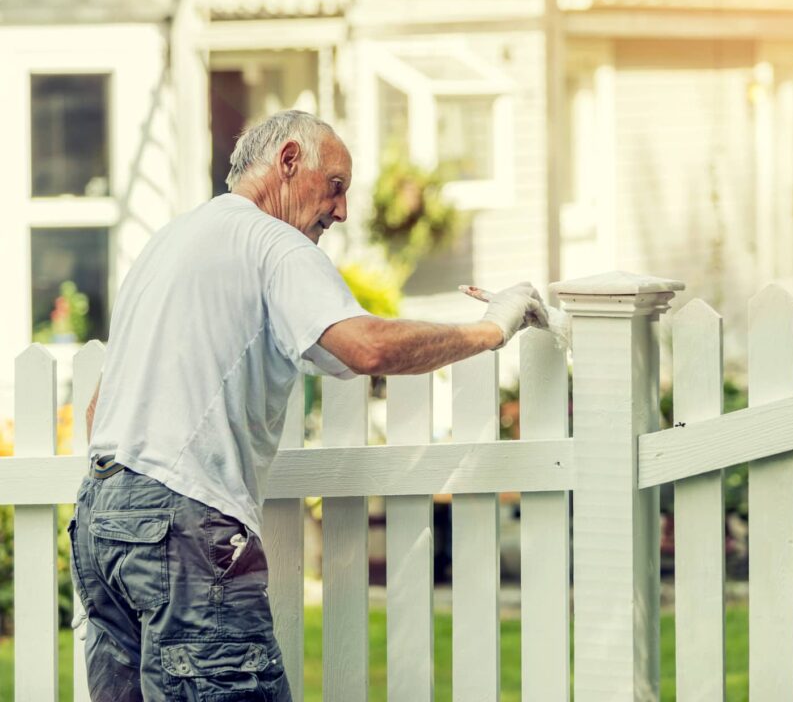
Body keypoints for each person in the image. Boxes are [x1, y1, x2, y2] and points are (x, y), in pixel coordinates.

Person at [70, 109, 547, 701]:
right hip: (182, 526)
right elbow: (364, 346)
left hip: (100, 521)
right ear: (289, 161)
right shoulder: (273, 241)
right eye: (337, 186)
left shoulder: (168, 243)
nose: (341, 212)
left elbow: (99, 408)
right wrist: (490, 331)